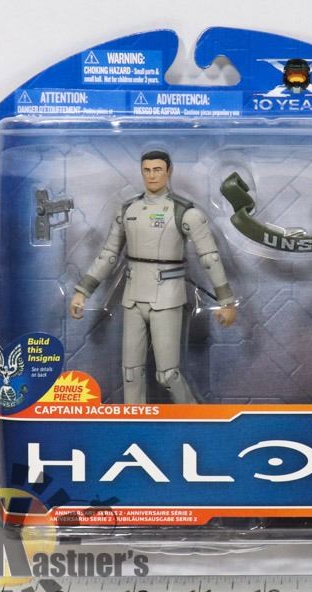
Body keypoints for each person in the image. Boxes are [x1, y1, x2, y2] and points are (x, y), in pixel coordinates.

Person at [69, 150, 237, 403]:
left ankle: (194, 416)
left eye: (157, 169)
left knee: (168, 375)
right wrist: (83, 290)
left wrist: (226, 301)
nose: (152, 175)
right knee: (130, 373)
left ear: (168, 171)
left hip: (167, 296)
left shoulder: (184, 212)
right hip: (133, 297)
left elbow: (210, 257)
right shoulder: (128, 209)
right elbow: (109, 254)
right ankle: (134, 420)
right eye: (146, 170)